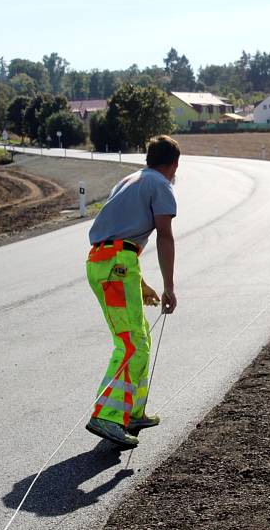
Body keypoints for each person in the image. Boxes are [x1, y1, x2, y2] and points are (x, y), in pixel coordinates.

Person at [85, 135, 179, 449]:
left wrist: (141, 284)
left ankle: (132, 412)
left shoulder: (129, 180)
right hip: (116, 264)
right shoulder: (161, 185)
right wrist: (169, 287)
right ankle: (107, 415)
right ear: (173, 164)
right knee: (131, 343)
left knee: (140, 338)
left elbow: (120, 241)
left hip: (111, 262)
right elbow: (165, 236)